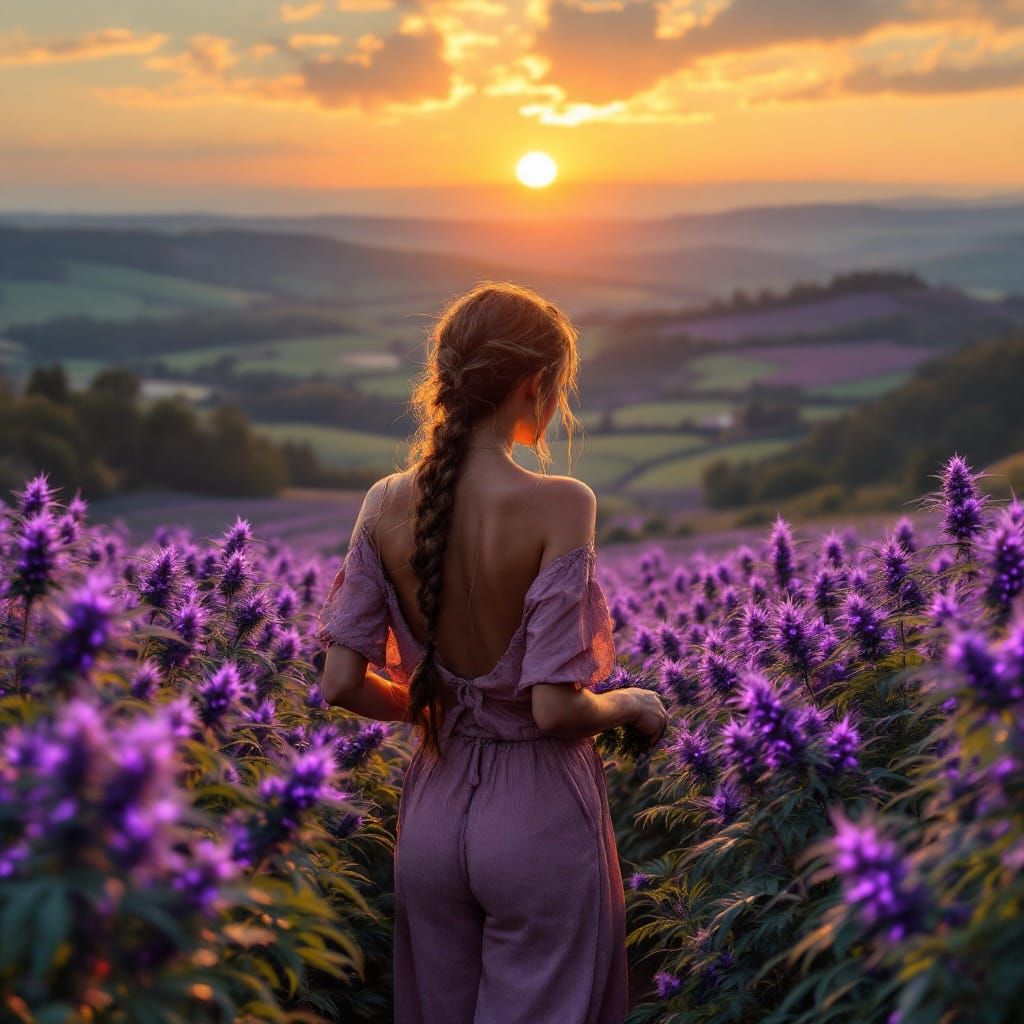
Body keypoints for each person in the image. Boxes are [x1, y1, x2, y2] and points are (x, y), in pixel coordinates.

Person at [316, 281, 669, 1024]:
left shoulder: (383, 503)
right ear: (533, 384)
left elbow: (342, 683)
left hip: (436, 811)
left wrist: (428, 704)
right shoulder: (562, 503)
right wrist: (633, 705)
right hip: (538, 815)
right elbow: (553, 707)